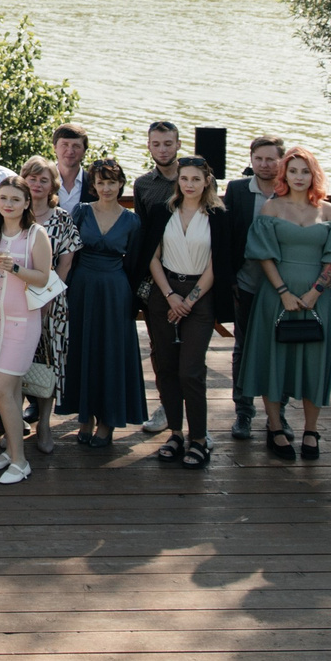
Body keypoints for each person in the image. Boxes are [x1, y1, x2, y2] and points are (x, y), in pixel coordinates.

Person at [238, 146, 331, 463]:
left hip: (319, 300)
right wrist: (283, 291)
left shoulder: (328, 212)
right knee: (272, 360)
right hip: (276, 297)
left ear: (314, 175)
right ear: (284, 174)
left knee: (314, 362)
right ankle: (275, 428)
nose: (299, 177)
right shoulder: (271, 209)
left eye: (305, 171)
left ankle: (311, 430)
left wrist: (316, 291)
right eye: (293, 171)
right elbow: (263, 255)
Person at [63, 159, 148, 448]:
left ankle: (108, 420)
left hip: (115, 289)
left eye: (112, 182)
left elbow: (135, 264)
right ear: (93, 186)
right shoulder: (82, 212)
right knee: (83, 349)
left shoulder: (132, 220)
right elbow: (69, 254)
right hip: (82, 287)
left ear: (121, 184)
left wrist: (132, 301)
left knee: (110, 352)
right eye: (101, 182)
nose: (107, 188)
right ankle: (84, 416)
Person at [0, 177, 50, 483]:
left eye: (15, 199)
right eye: (3, 198)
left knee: (0, 389)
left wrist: (15, 268)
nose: (8, 204)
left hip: (23, 323)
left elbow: (44, 278)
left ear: (27, 203)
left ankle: (20, 461)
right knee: (12, 393)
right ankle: (11, 452)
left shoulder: (35, 234)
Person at [147, 157, 220, 469]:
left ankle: (200, 438)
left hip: (199, 296)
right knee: (165, 366)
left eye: (195, 179)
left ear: (206, 182)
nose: (189, 184)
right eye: (184, 178)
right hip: (165, 292)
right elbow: (152, 257)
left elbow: (217, 264)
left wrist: (188, 299)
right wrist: (170, 295)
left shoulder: (217, 215)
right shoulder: (163, 211)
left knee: (190, 370)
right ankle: (176, 433)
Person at [216, 135, 287, 443]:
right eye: (259, 158)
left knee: (279, 349)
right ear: (251, 159)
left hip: (283, 289)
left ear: (282, 161)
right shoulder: (237, 190)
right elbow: (226, 235)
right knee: (243, 349)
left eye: (271, 159)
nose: (264, 164)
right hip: (246, 283)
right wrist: (230, 280)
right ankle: (243, 412)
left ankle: (278, 414)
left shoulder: (291, 191)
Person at [21, 156, 82, 457]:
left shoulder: (63, 219)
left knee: (49, 362)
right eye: (32, 178)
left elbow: (66, 263)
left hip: (51, 301)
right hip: (14, 301)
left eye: (43, 179)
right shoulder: (13, 214)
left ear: (52, 185)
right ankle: (12, 423)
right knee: (13, 363)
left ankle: (44, 424)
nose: (37, 184)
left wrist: (46, 298)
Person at [127, 121, 179, 436]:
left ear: (178, 144)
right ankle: (167, 406)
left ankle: (195, 418)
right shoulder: (143, 185)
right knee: (160, 348)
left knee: (190, 352)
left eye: (168, 143)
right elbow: (144, 233)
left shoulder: (197, 178)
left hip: (195, 274)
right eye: (156, 144)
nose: (162, 149)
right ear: (148, 146)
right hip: (157, 277)